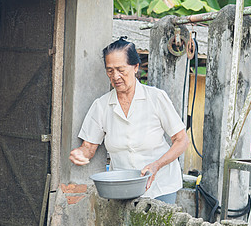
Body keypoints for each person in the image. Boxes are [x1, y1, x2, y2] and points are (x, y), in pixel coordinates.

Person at [69, 37, 189, 204]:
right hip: (123, 190)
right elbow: (88, 147)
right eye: (110, 70)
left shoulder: (156, 98)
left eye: (121, 69)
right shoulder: (101, 105)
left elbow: (181, 140)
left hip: (161, 185)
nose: (115, 76)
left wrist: (157, 165)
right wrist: (80, 154)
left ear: (135, 67)